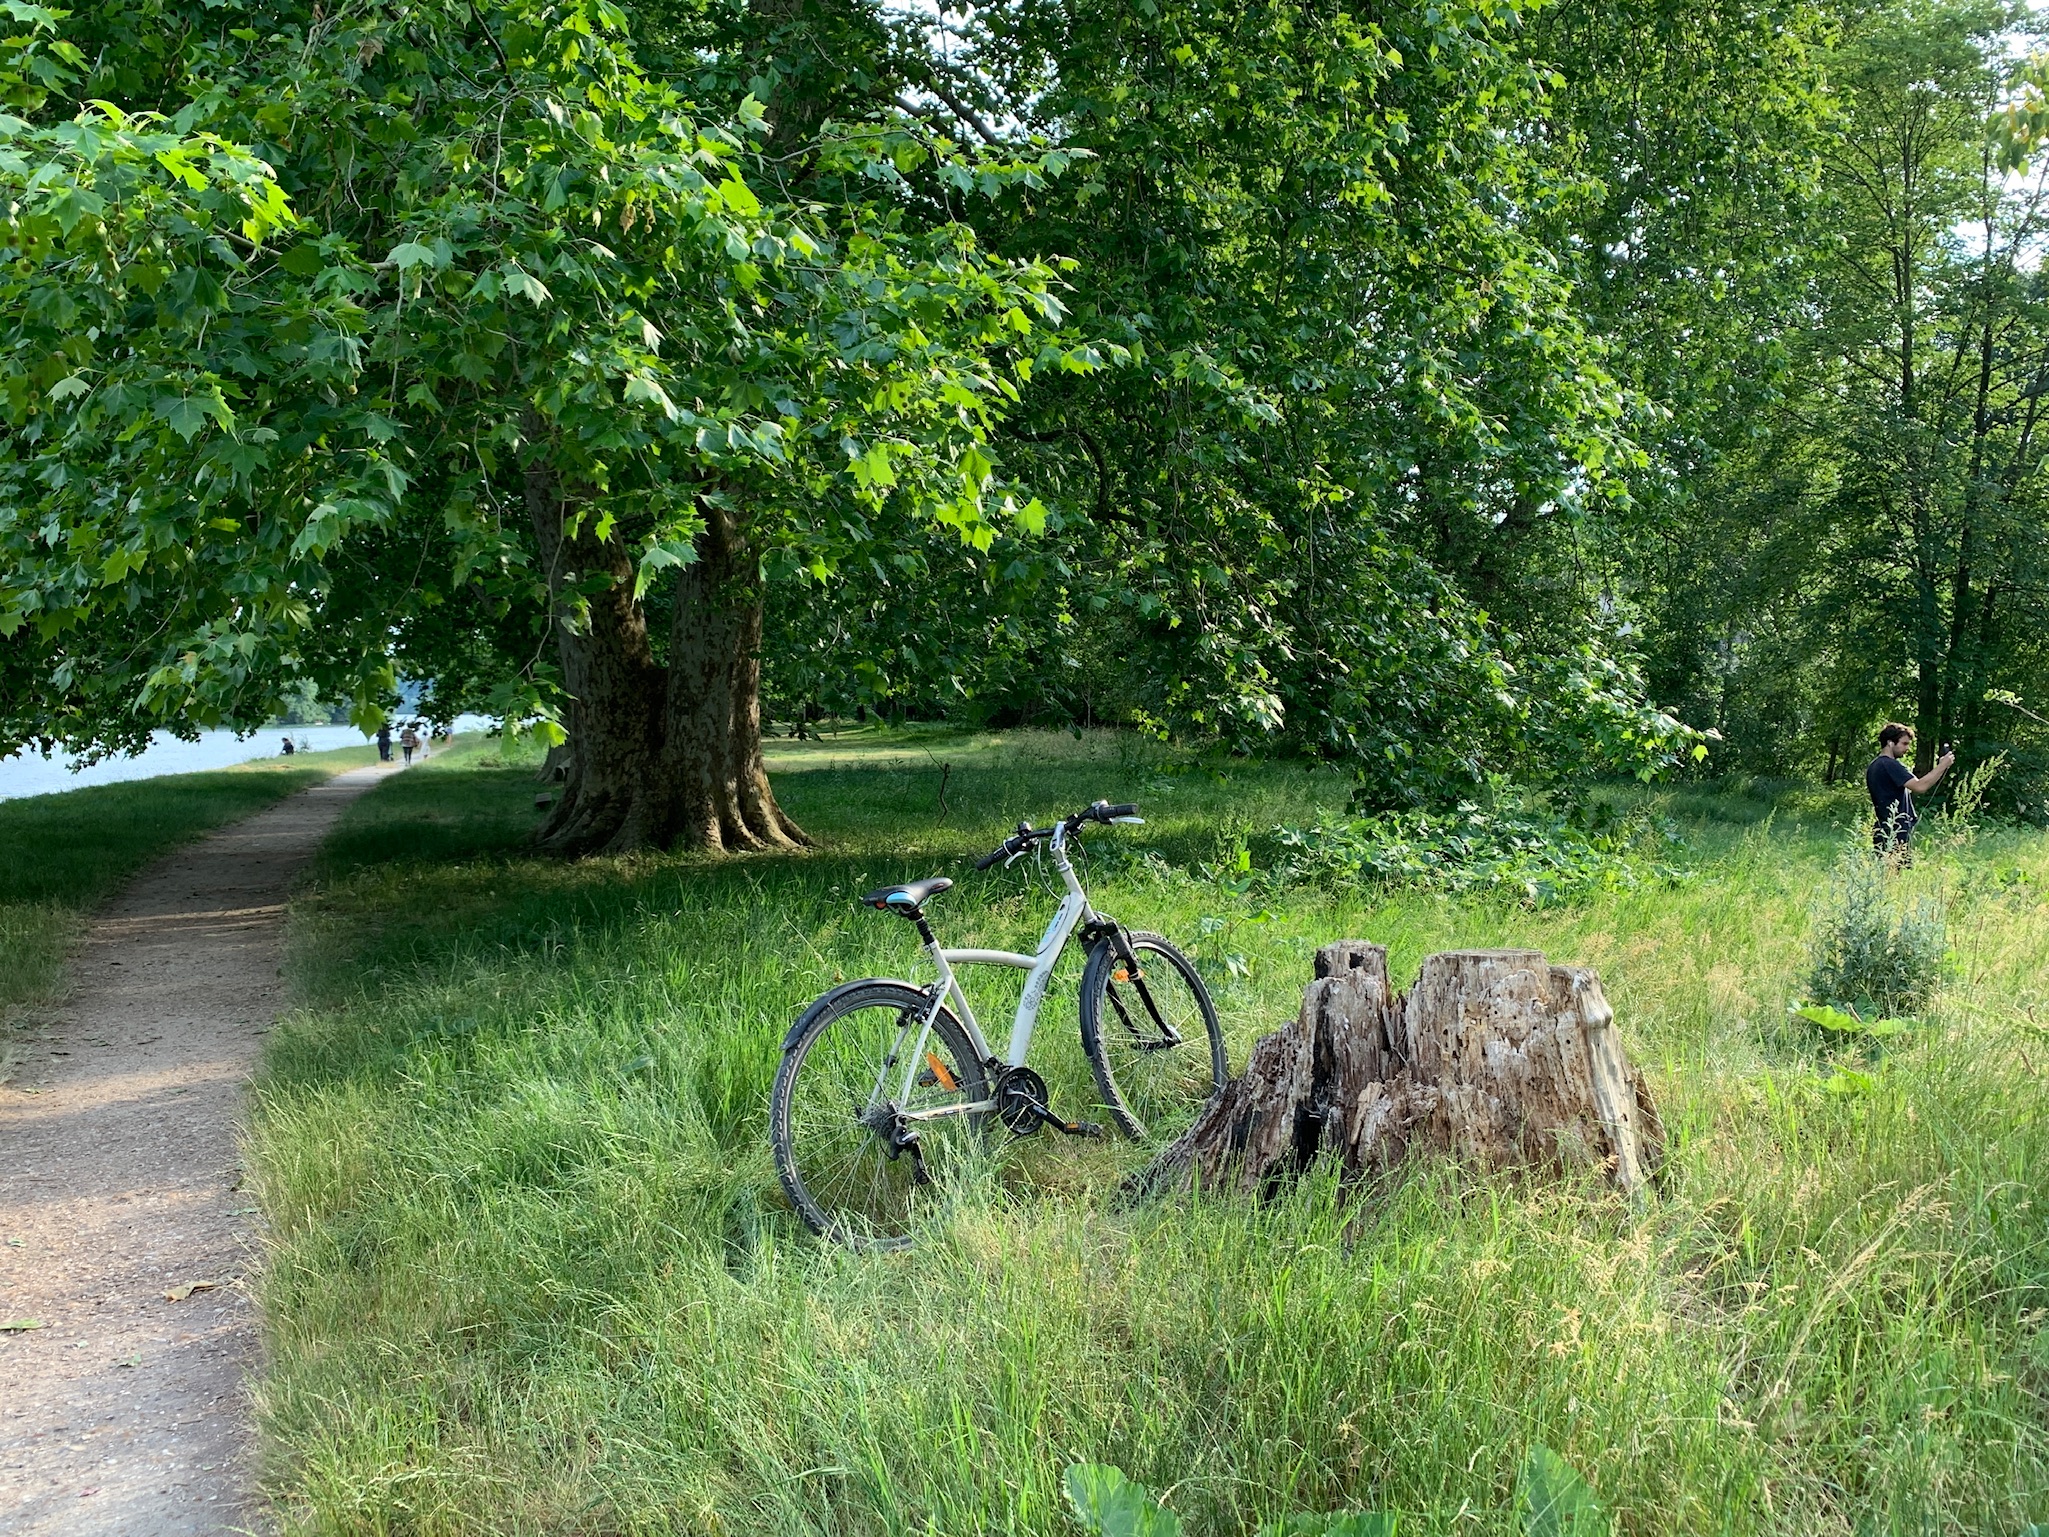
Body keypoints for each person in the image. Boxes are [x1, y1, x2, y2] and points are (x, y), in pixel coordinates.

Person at [1866, 723, 1953, 862]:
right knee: (1893, 875)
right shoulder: (1889, 764)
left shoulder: (1875, 765)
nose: (1907, 748)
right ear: (1890, 743)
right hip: (1894, 830)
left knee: (1888, 875)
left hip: (1886, 829)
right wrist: (1942, 766)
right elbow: (1920, 786)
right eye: (1904, 744)